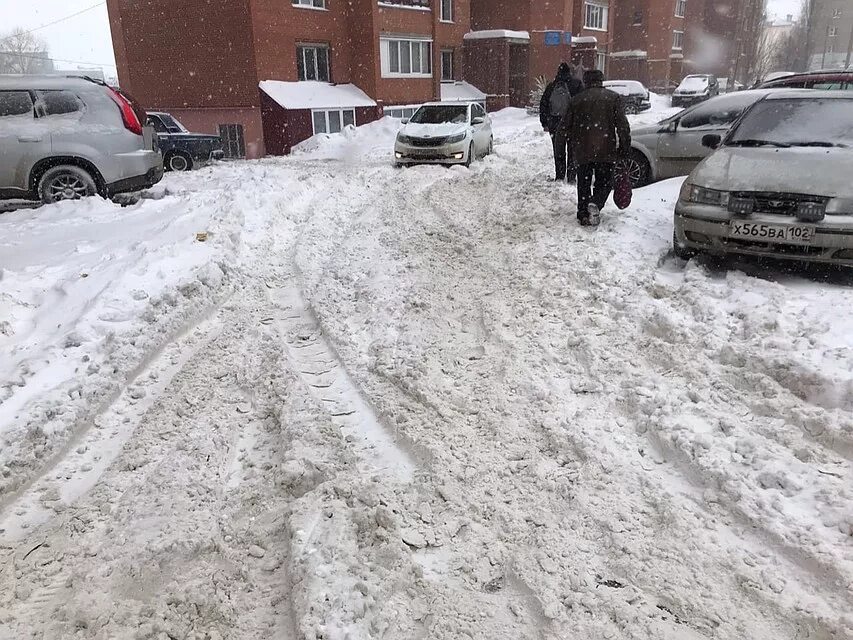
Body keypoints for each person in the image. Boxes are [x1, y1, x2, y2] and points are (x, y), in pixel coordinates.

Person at [557, 69, 631, 226]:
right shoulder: (613, 98)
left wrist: (561, 147)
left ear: (586, 81)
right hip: (606, 149)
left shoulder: (576, 100)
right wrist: (625, 147)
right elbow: (623, 126)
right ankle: (596, 203)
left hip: (582, 150)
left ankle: (583, 214)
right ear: (601, 80)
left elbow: (563, 127)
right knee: (604, 181)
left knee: (583, 182)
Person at [539, 62, 584, 182]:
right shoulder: (577, 84)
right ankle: (571, 177)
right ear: (569, 72)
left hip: (555, 124)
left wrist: (545, 123)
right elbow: (582, 103)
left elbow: (543, 104)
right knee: (572, 151)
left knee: (558, 150)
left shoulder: (552, 86)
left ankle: (559, 175)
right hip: (572, 124)